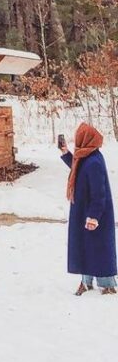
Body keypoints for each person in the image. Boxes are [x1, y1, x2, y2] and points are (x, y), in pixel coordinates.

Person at [60, 123, 117, 296]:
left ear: (86, 139)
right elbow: (79, 168)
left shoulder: (94, 162)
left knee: (98, 247)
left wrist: (93, 216)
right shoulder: (86, 156)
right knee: (85, 246)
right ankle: (86, 282)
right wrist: (65, 152)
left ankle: (107, 285)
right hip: (84, 211)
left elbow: (99, 194)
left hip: (94, 212)